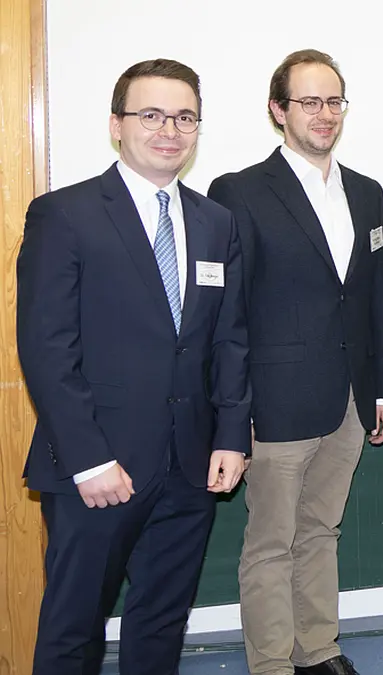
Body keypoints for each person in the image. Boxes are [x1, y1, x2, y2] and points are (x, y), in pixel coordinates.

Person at [18, 58, 250, 674]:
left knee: (161, 623)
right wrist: (89, 459)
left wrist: (230, 435)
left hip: (190, 466)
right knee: (74, 627)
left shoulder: (214, 221)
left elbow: (228, 339)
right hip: (99, 467)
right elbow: (46, 346)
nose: (168, 129)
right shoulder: (64, 214)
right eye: (150, 114)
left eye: (184, 116)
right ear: (117, 125)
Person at [208, 49, 383, 675]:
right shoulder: (237, 192)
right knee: (271, 543)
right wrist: (234, 412)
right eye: (309, 102)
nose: (325, 115)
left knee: (321, 531)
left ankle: (318, 649)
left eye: (334, 101)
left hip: (351, 400)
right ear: (278, 110)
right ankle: (271, 663)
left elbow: (379, 297)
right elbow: (228, 315)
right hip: (274, 403)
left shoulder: (367, 192)